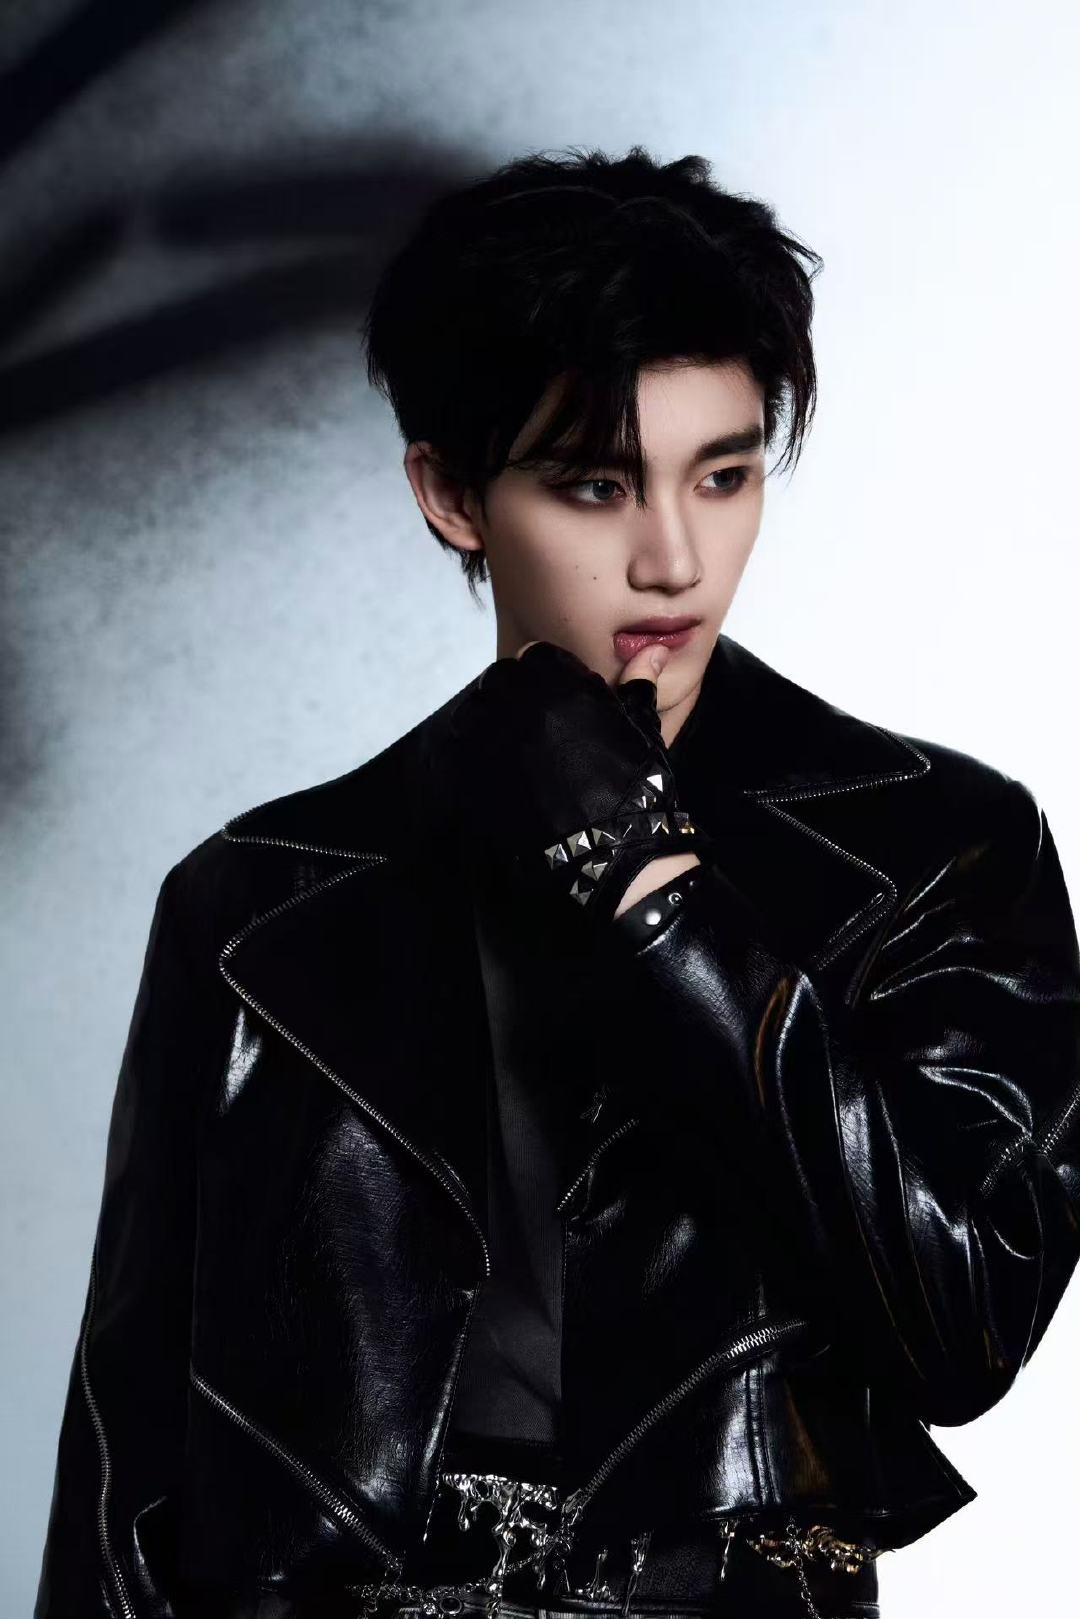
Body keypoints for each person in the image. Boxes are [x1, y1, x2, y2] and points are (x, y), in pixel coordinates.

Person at [34, 145, 1080, 1619]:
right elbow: (125, 1460)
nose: (674, 560)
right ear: (452, 495)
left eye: (724, 476)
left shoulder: (938, 847)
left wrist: (659, 900)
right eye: (596, 486)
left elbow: (959, 1328)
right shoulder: (256, 901)